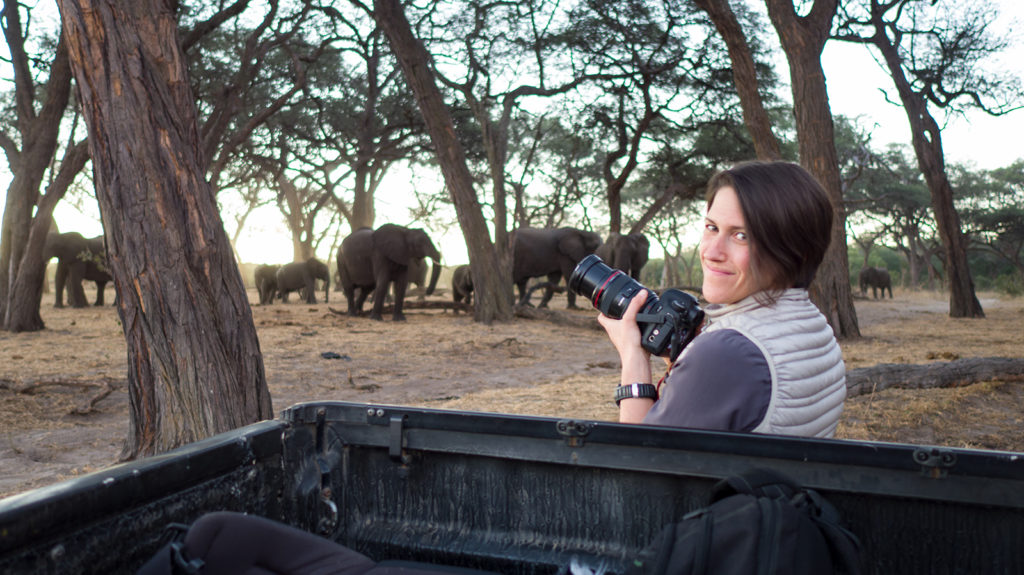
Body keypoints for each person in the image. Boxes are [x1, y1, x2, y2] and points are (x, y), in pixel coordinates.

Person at [598, 160, 846, 438]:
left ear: (791, 250)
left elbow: (636, 464)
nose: (712, 252)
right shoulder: (813, 324)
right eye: (712, 227)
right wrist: (682, 362)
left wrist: (633, 354)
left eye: (741, 236)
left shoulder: (728, 352)